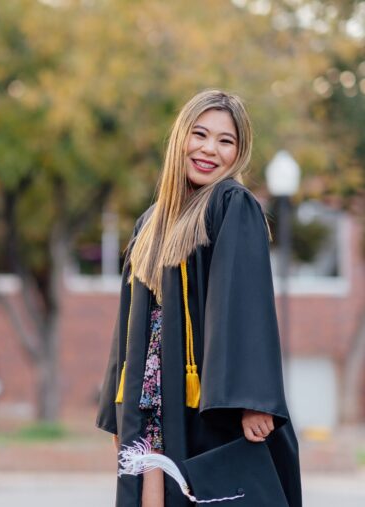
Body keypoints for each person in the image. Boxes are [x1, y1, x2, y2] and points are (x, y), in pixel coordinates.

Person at [96, 89, 302, 507]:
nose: (210, 149)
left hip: (204, 396)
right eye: (200, 134)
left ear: (239, 152)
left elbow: (244, 304)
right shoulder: (150, 222)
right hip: (151, 395)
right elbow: (129, 321)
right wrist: (117, 405)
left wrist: (252, 400)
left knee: (200, 494)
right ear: (180, 139)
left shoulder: (232, 204)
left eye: (226, 141)